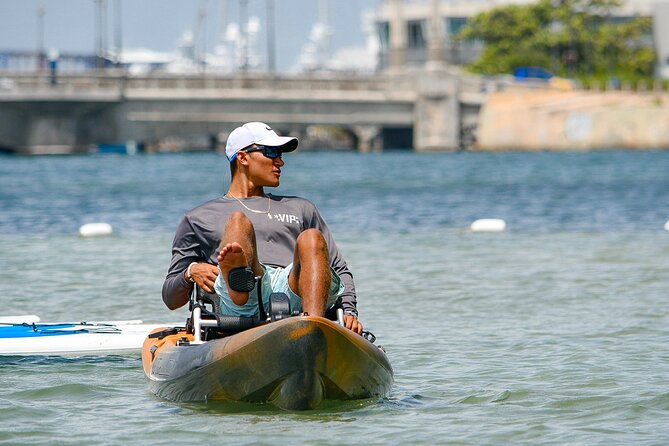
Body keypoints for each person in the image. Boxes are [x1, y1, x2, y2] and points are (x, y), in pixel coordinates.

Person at [162, 122, 363, 334]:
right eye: (271, 152)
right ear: (243, 157)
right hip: (239, 302)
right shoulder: (198, 218)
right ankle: (241, 285)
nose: (280, 161)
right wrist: (190, 272)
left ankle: (312, 332)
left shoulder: (301, 208)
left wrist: (349, 312)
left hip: (295, 289)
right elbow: (170, 297)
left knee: (312, 238)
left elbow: (339, 269)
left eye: (281, 154)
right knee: (238, 223)